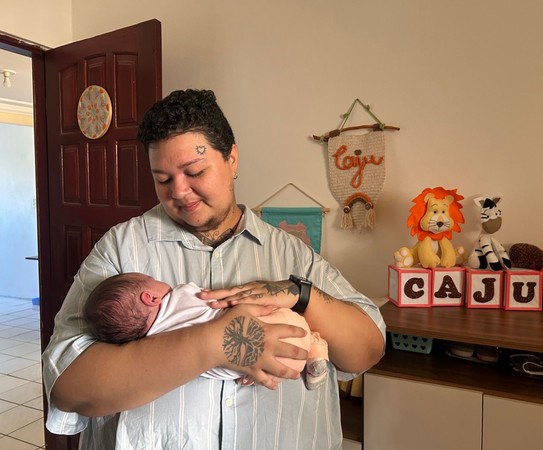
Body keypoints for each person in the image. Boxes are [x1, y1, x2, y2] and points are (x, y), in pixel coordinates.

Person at [42, 89, 386, 450]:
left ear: (232, 159)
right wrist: (216, 343)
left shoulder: (292, 253)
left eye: (195, 171)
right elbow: (69, 389)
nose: (179, 191)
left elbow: (367, 352)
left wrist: (302, 295)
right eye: (162, 179)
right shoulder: (120, 249)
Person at [84, 272, 330, 389]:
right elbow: (218, 301)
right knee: (303, 331)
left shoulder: (152, 346)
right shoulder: (180, 296)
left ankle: (306, 362)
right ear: (150, 297)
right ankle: (316, 350)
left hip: (268, 370)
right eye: (150, 278)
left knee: (227, 371)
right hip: (281, 324)